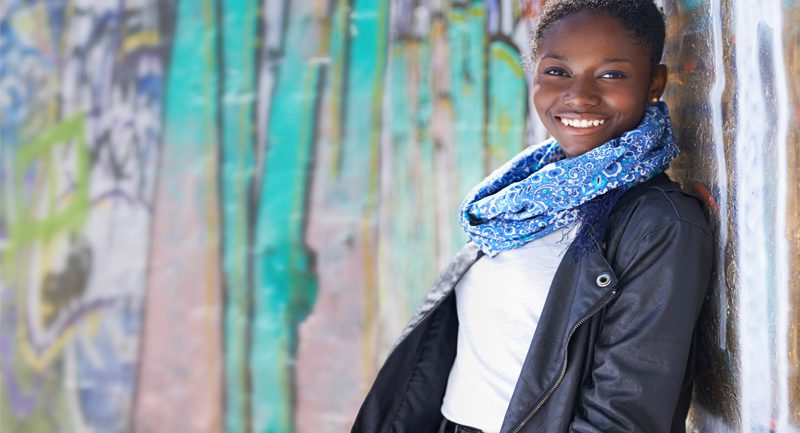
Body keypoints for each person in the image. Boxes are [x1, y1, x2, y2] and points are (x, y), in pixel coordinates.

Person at [351, 0, 713, 432]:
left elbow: (621, 418)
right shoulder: (519, 199)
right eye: (557, 71)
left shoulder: (661, 224)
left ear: (654, 83)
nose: (579, 95)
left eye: (611, 74)